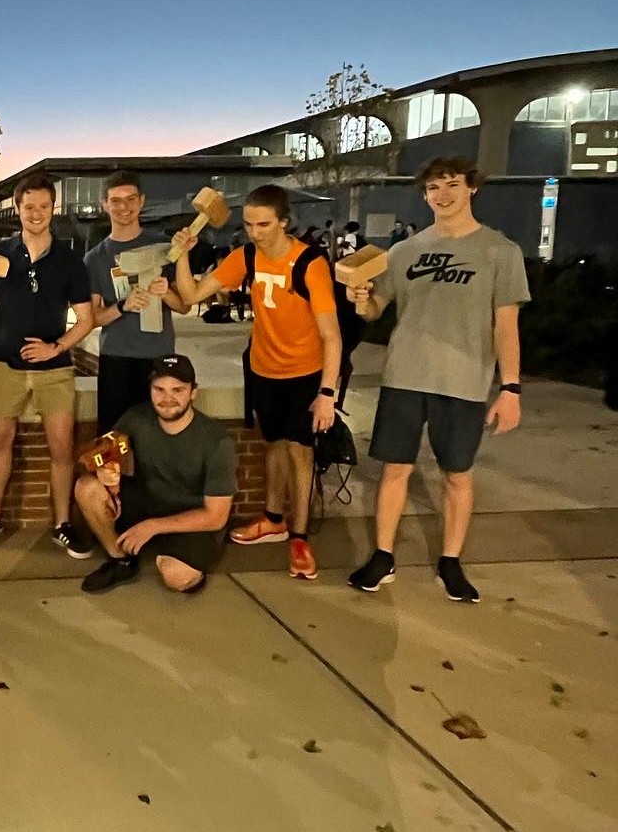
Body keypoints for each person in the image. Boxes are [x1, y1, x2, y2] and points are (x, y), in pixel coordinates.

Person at [346, 157, 528, 602]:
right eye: (433, 188)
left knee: (458, 476)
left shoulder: (499, 251)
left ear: (472, 188)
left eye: (451, 185)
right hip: (405, 377)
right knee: (395, 470)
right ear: (424, 195)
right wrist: (359, 300)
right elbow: (376, 311)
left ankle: (450, 562)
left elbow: (506, 326)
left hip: (464, 382)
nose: (442, 195)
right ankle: (383, 556)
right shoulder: (404, 251)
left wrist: (511, 389)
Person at [173, 184, 341, 581]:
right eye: (248, 223)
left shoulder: (309, 262)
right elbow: (193, 292)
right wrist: (181, 254)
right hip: (264, 370)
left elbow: (332, 335)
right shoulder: (246, 256)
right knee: (273, 446)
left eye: (264, 224)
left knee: (301, 454)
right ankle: (272, 519)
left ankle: (299, 538)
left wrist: (327, 394)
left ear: (284, 222)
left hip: (305, 373)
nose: (255, 232)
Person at [0, 173, 95, 555]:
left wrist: (56, 347)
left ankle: (62, 524)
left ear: (53, 209)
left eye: (44, 206)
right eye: (29, 206)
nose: (36, 213)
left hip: (54, 369)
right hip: (4, 363)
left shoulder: (70, 259)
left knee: (61, 447)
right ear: (17, 209)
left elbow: (85, 320)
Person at [73, 355, 237, 594]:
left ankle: (170, 550)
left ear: (193, 392)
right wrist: (103, 472)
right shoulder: (136, 418)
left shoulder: (217, 440)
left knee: (176, 577)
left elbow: (216, 516)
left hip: (190, 515)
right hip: (145, 502)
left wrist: (153, 526)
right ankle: (121, 559)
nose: (167, 398)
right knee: (86, 487)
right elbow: (88, 457)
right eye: (159, 389)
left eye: (177, 390)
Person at [83, 170, 191, 434]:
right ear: (104, 205)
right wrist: (123, 306)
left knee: (159, 437)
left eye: (131, 199)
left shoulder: (164, 247)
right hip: (116, 359)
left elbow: (184, 306)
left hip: (159, 358)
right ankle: (118, 478)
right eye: (116, 200)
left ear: (141, 201)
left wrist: (165, 291)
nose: (124, 207)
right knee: (114, 438)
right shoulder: (95, 258)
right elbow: (91, 318)